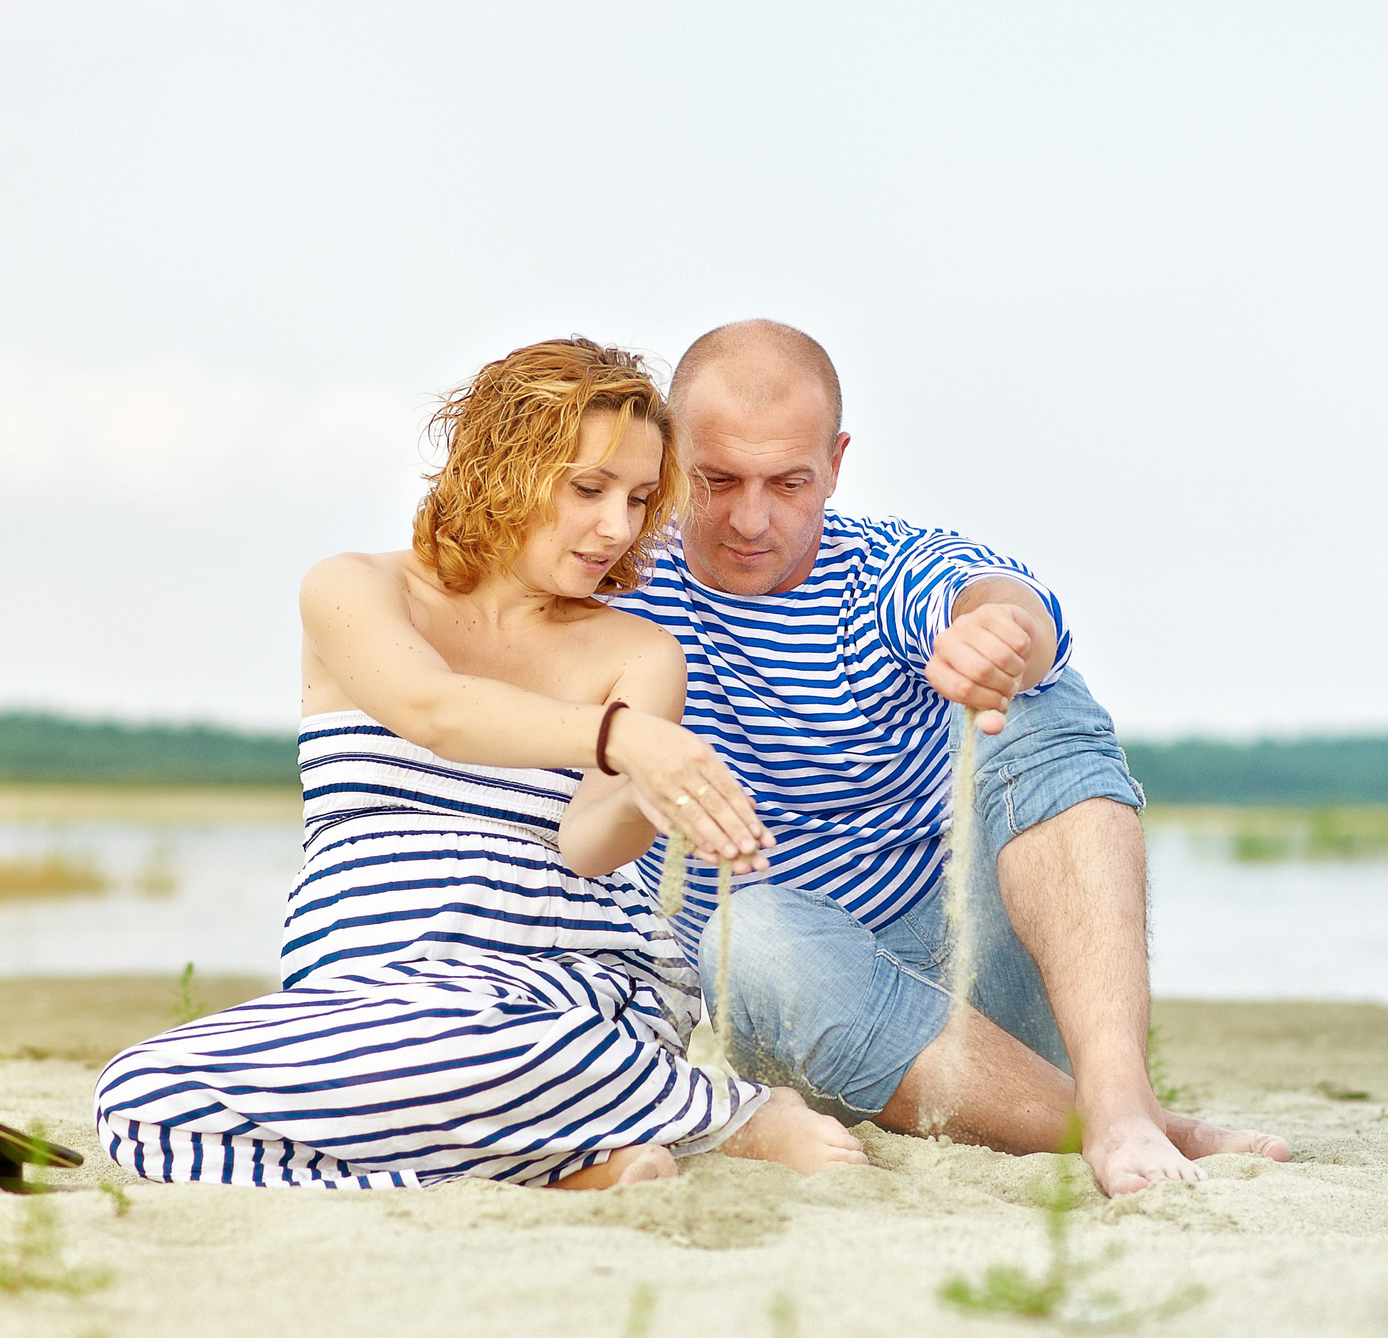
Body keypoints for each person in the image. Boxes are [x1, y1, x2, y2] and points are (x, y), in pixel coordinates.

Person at [94, 339, 867, 1190]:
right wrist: (618, 738)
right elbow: (433, 710)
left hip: (558, 989)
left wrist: (653, 797)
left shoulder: (640, 652)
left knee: (477, 1037)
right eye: (588, 488)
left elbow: (589, 849)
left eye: (642, 499)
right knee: (140, 1098)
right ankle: (621, 1143)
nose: (619, 528)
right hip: (367, 999)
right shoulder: (354, 588)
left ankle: (711, 1115)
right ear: (503, 467)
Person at [612, 319, 1291, 1196]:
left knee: (1045, 694)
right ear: (671, 461)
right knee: (758, 939)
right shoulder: (618, 580)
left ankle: (1122, 1103)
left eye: (789, 482)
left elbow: (994, 593)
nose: (752, 518)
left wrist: (1000, 635)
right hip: (801, 1008)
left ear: (837, 462)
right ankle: (1149, 1133)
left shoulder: (881, 569)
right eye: (716, 481)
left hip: (985, 982)